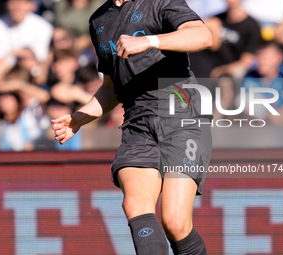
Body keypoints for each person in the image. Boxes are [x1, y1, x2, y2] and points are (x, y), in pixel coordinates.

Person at [52, 0, 213, 254]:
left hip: (182, 115)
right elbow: (110, 87)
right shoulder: (98, 20)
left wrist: (150, 41)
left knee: (175, 223)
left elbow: (203, 36)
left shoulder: (161, 2)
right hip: (137, 122)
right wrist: (80, 118)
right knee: (135, 205)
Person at [0, 0, 53, 82]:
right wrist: (19, 54)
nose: (17, 7)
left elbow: (39, 63)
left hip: (30, 78)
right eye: (13, 2)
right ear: (6, 5)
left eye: (21, 3)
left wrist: (12, 53)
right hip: (5, 78)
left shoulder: (44, 27)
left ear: (30, 5)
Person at [190, 0, 262, 78]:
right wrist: (210, 25)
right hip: (208, 63)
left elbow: (246, 62)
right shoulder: (217, 19)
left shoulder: (252, 26)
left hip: (229, 70)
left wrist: (223, 70)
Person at [242, 40, 283, 125]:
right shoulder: (249, 78)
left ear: (279, 57)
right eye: (259, 56)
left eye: (266, 56)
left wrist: (262, 111)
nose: (262, 61)